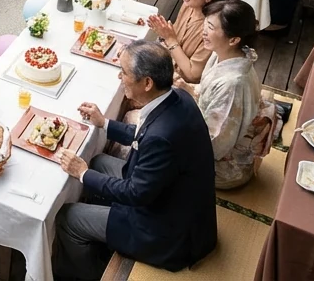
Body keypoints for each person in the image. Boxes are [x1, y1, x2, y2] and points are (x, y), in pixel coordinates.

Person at [53, 41, 217, 281]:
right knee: (98, 162)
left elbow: (135, 193)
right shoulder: (177, 97)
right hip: (170, 194)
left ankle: (88, 273)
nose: (120, 76)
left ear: (147, 82)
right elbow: (144, 133)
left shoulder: (162, 136)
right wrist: (104, 123)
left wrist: (82, 173)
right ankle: (102, 237)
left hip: (165, 228)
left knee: (68, 217)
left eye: (125, 72)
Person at [175, 0, 264, 190]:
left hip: (222, 167)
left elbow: (214, 143)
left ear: (233, 40)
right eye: (205, 24)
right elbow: (209, 98)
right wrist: (187, 88)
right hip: (207, 133)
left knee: (142, 134)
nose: (203, 32)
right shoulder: (225, 54)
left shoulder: (233, 83)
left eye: (211, 27)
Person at [146, 0, 229, 84]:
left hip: (182, 84)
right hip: (168, 64)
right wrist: (164, 34)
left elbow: (192, 75)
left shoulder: (212, 28)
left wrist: (169, 39)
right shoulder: (189, 6)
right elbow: (173, 38)